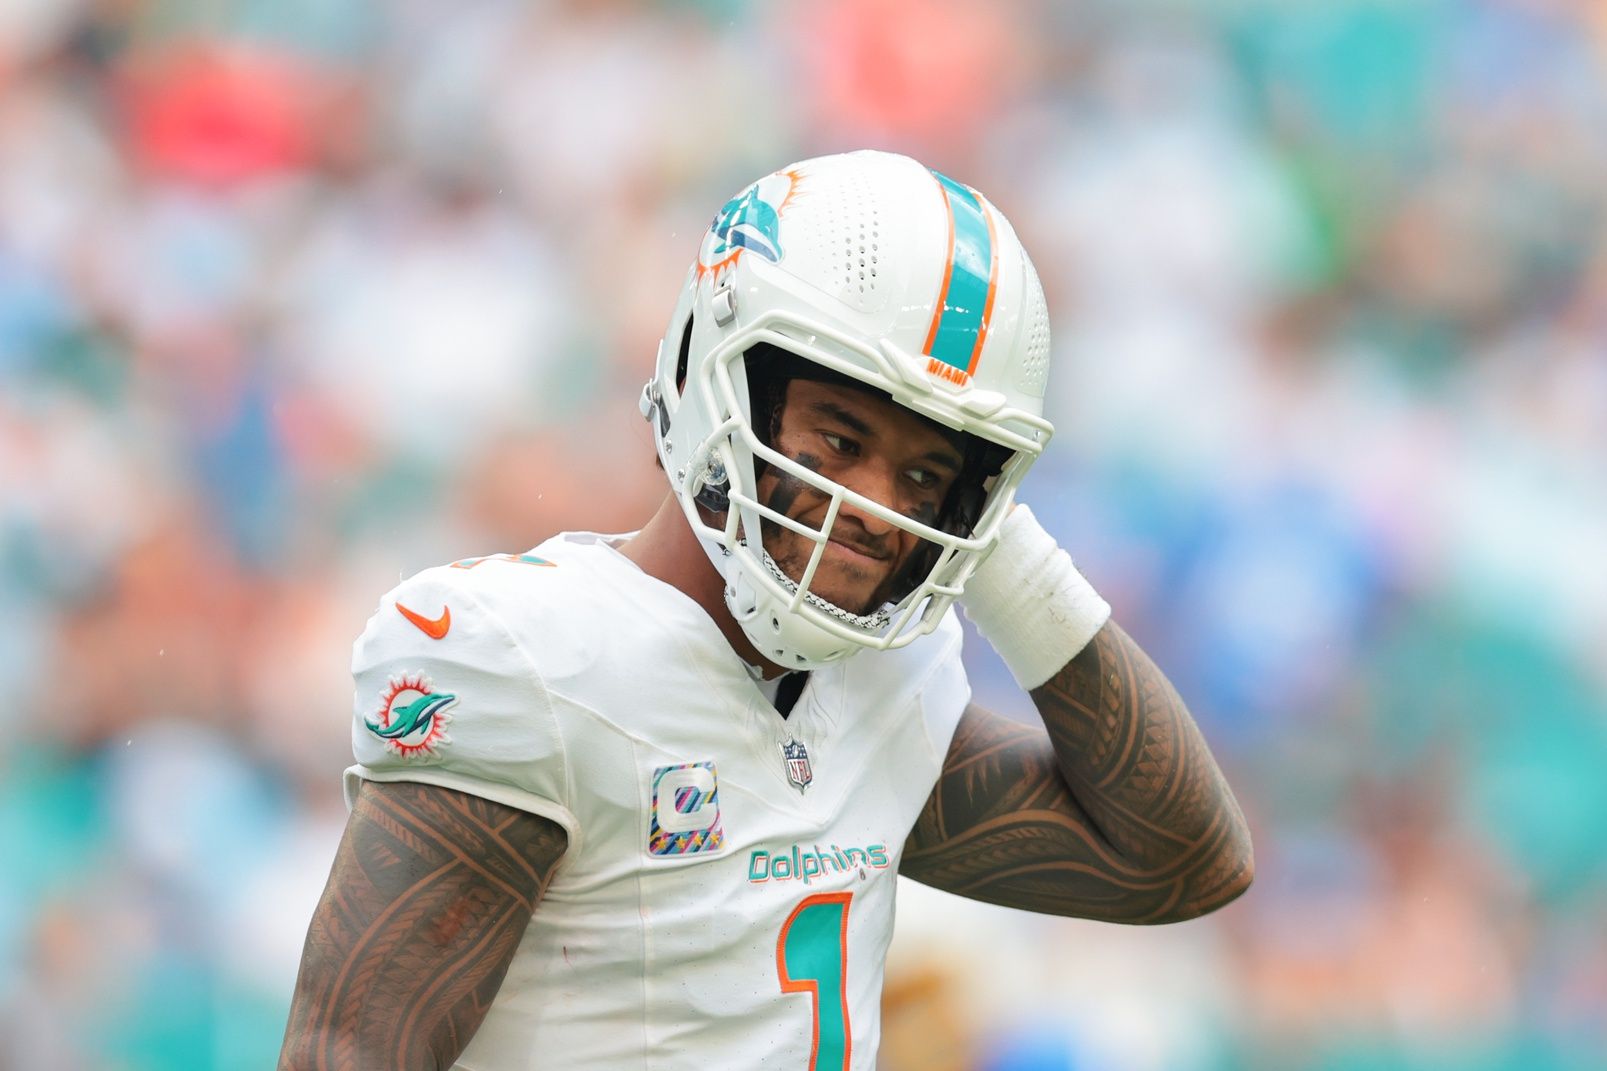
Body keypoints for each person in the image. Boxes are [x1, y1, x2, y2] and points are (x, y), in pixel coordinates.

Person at [277, 149, 1253, 1070]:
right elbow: (349, 1055)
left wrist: (1005, 550)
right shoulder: (528, 658)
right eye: (836, 438)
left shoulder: (884, 685)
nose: (873, 505)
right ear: (718, 377)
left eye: (923, 476)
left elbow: (1176, 859)